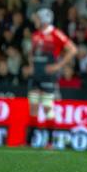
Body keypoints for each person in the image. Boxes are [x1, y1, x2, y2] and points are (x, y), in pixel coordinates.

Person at [27, 8, 77, 147]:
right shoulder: (35, 35)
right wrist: (31, 64)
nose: (35, 20)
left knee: (48, 108)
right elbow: (32, 53)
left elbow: (72, 49)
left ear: (44, 19)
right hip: (36, 75)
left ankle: (50, 142)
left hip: (48, 76)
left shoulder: (56, 33)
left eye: (37, 18)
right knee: (33, 107)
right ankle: (29, 142)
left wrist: (58, 66)